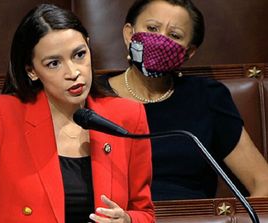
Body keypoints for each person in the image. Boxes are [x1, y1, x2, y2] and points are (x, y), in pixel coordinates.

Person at [0, 4, 155, 223]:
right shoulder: (3, 113)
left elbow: (145, 213)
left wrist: (128, 220)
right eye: (54, 63)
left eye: (79, 54)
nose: (73, 72)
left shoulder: (127, 116)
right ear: (31, 70)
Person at [100, 0, 268, 201]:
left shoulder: (207, 97)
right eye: (152, 28)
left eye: (174, 35)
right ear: (129, 34)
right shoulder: (94, 96)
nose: (160, 40)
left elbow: (263, 182)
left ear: (188, 52)